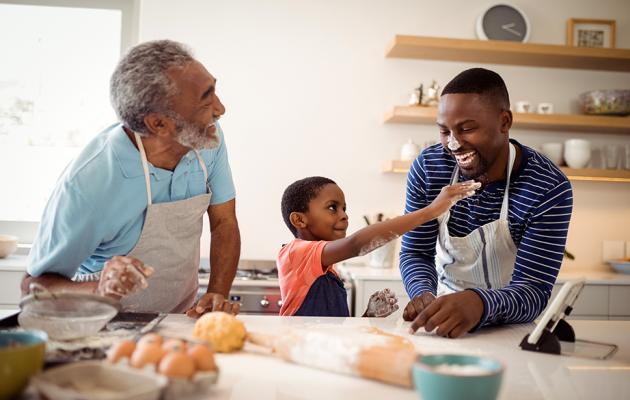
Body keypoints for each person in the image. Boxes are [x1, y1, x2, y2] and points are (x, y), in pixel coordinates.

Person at [22, 40, 241, 317]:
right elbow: (32, 286)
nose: (220, 109)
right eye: (205, 100)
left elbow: (224, 222)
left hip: (175, 320)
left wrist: (217, 292)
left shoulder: (207, 138)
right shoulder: (89, 184)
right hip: (100, 327)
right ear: (159, 124)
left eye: (214, 90)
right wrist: (100, 289)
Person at [400, 68, 573, 338]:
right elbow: (416, 252)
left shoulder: (547, 186)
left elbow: (533, 290)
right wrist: (423, 293)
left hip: (511, 327)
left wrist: (479, 303)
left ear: (504, 121)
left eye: (466, 129)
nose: (454, 144)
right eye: (445, 131)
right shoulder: (429, 168)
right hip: (441, 319)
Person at [278, 176, 479, 317]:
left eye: (344, 208)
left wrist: (368, 315)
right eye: (332, 207)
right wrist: (431, 211)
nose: (344, 215)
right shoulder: (294, 253)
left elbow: (335, 329)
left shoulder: (328, 269)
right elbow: (356, 245)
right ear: (299, 220)